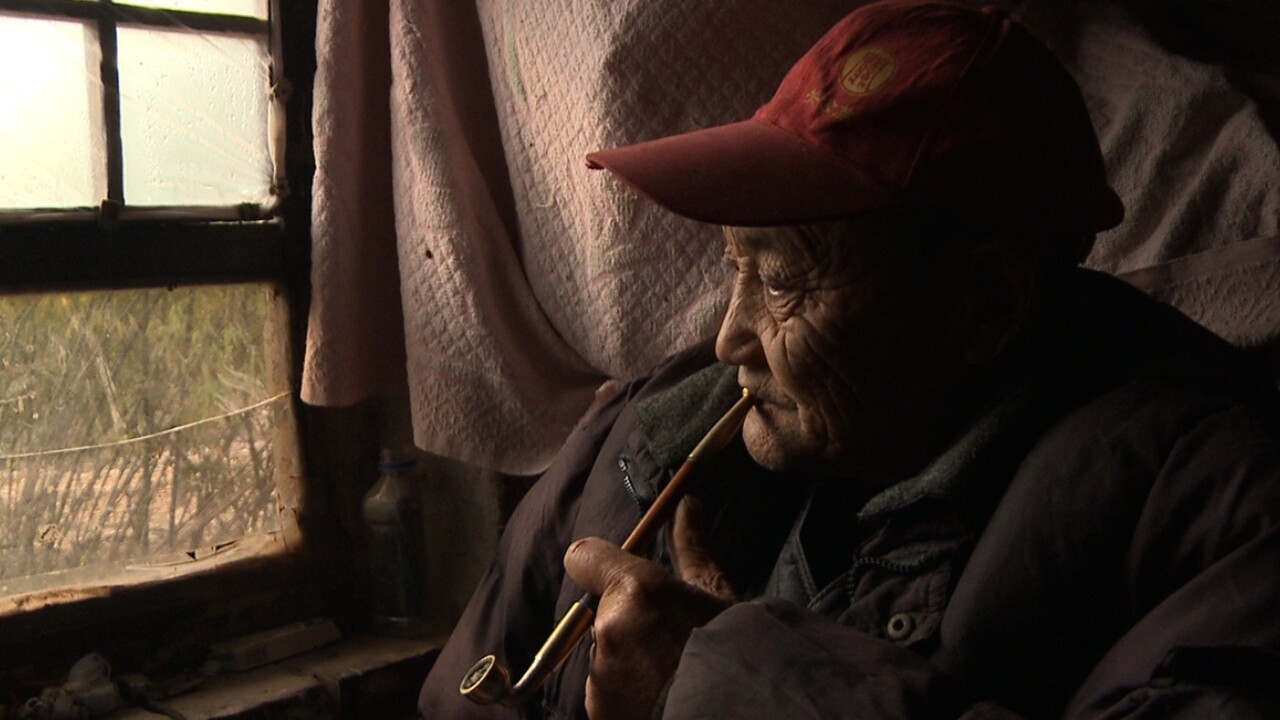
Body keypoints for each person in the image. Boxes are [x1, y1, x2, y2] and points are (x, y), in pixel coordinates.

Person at [419, 1, 1280, 718]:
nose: (728, 339)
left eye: (782, 281)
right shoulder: (648, 433)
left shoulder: (1223, 521)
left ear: (985, 306)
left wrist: (715, 685)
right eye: (736, 264)